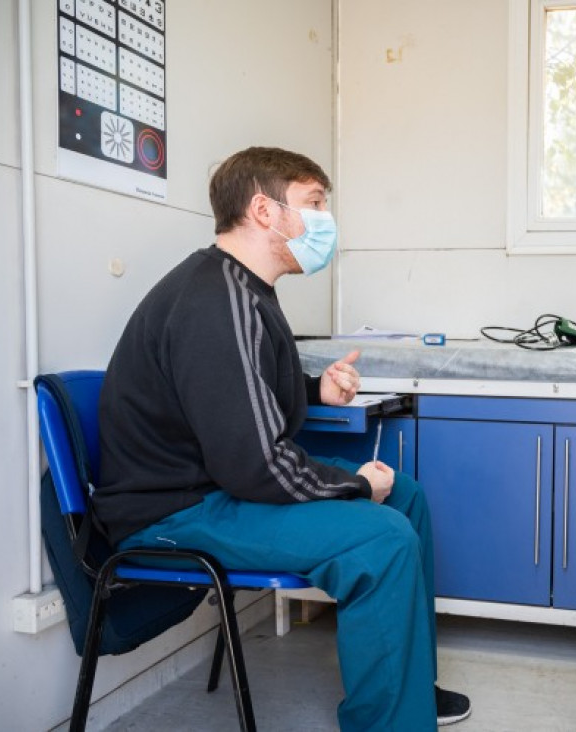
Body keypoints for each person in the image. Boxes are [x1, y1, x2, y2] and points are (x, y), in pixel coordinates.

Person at [94, 146, 471, 730]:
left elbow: (245, 388)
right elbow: (257, 463)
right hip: (174, 511)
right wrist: (352, 486)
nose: (325, 220)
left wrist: (319, 388)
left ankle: (409, 686)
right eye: (314, 203)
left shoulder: (241, 289)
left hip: (214, 485)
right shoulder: (215, 300)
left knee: (408, 498)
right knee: (383, 538)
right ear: (264, 211)